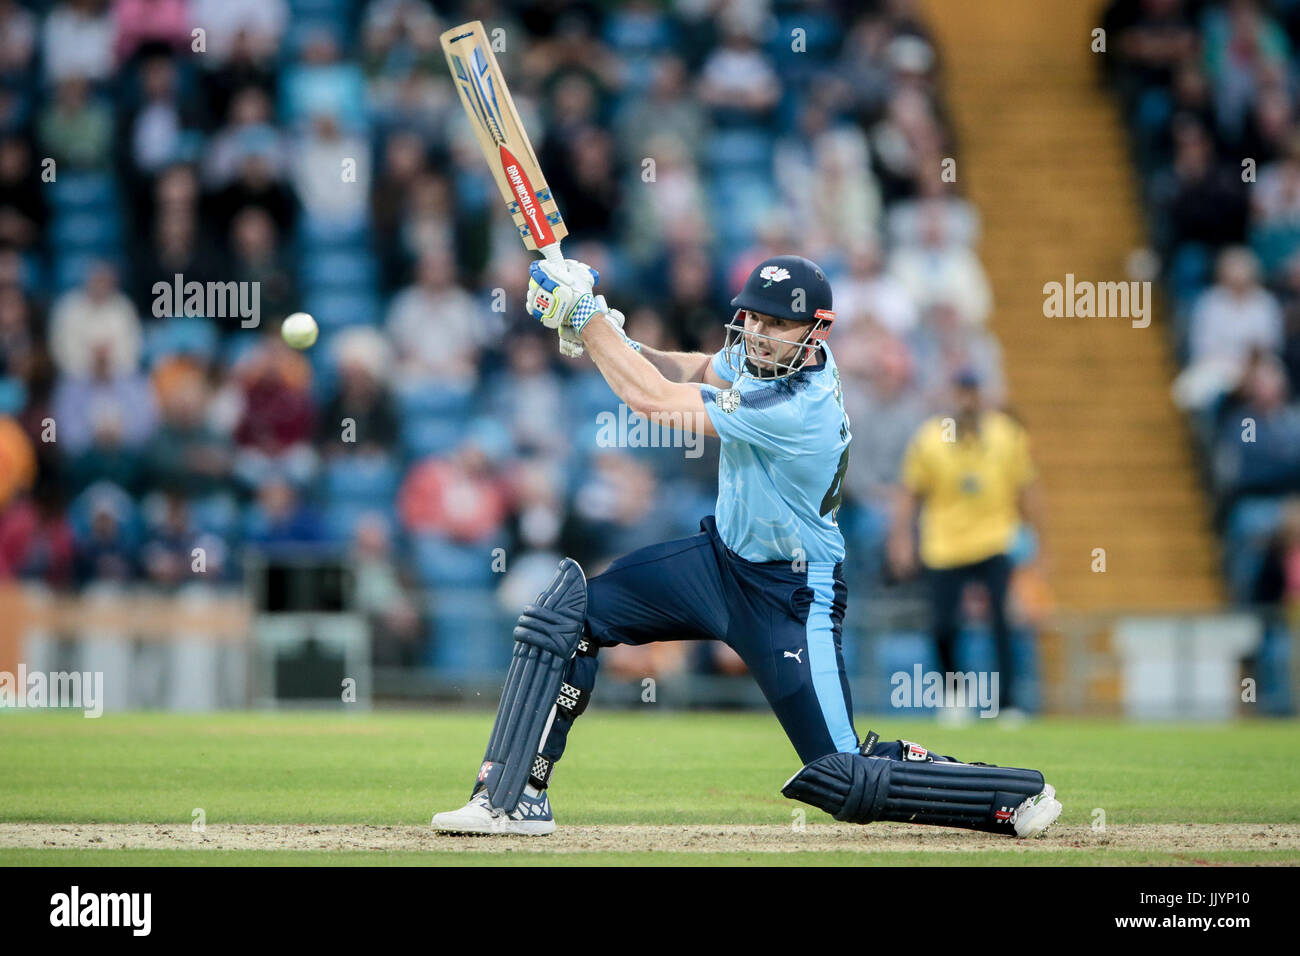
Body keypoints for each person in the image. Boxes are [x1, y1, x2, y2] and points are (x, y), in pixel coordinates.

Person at [431, 255, 1062, 838]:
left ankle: (1004, 795)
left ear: (817, 332)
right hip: (719, 564)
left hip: (792, 596)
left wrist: (588, 320)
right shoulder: (765, 362)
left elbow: (651, 399)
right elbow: (695, 369)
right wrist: (615, 337)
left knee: (840, 775)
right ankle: (511, 798)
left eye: (777, 324)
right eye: (753, 318)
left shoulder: (796, 405)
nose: (759, 334)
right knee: (565, 615)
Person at [888, 367, 1045, 716]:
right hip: (945, 544)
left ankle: (1007, 704)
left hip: (994, 539)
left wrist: (1036, 542)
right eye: (961, 392)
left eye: (972, 393)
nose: (967, 401)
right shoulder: (930, 438)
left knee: (1002, 622)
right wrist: (900, 539)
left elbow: (1028, 489)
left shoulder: (1006, 434)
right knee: (943, 624)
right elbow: (909, 492)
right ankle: (954, 695)